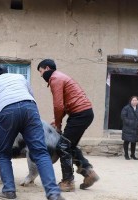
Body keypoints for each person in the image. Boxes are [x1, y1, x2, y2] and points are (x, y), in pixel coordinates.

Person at [0, 65, 64, 200]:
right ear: (7, 72)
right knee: (40, 152)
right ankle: (53, 193)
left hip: (7, 111)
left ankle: (9, 191)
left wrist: (6, 129)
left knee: (4, 154)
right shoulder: (20, 77)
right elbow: (31, 96)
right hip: (30, 108)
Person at [37, 59, 99, 192]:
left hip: (79, 114)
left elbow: (58, 105)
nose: (41, 76)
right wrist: (57, 120)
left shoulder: (55, 79)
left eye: (41, 72)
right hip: (84, 113)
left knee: (62, 147)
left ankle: (68, 182)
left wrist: (58, 125)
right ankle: (88, 173)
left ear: (47, 68)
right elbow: (65, 105)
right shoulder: (61, 77)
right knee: (69, 146)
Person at [121, 96, 138, 160]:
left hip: (135, 128)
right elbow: (123, 117)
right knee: (126, 141)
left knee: (134, 142)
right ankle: (126, 155)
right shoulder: (126, 108)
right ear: (130, 101)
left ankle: (133, 155)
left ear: (137, 101)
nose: (134, 101)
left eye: (136, 100)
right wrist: (130, 123)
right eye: (133, 100)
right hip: (128, 127)